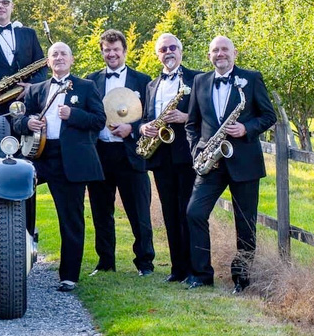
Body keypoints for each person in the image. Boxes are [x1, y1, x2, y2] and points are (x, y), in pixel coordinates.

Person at [185, 35, 276, 293]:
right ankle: (202, 275)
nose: (220, 54)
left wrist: (246, 128)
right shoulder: (199, 81)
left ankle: (242, 279)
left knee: (245, 223)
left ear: (234, 53)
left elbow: (269, 116)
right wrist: (196, 151)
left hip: (244, 161)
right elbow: (192, 125)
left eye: (225, 49)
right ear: (209, 55)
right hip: (210, 162)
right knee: (194, 212)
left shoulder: (252, 78)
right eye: (215, 50)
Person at [12, 42, 105, 292]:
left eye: (64, 54)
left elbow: (99, 120)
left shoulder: (86, 87)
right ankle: (13, 263)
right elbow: (19, 119)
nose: (59, 57)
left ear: (72, 60)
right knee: (15, 207)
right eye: (54, 54)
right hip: (39, 157)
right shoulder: (37, 89)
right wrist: (27, 123)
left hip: (70, 160)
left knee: (70, 218)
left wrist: (73, 115)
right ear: (48, 62)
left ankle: (69, 276)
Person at [85, 28, 154, 276]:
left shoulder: (143, 81)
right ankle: (105, 263)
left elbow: (150, 116)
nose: (111, 54)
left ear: (125, 51)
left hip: (131, 154)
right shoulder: (91, 80)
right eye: (107, 50)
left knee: (139, 212)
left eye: (116, 49)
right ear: (102, 52)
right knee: (101, 211)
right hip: (100, 154)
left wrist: (132, 128)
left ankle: (145, 263)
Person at [139, 33, 200, 283]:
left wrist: (186, 117)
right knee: (169, 213)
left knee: (187, 211)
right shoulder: (152, 85)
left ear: (181, 51)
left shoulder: (197, 78)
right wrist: (144, 128)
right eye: (163, 49)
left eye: (173, 47)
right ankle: (177, 269)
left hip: (185, 153)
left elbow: (207, 112)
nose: (168, 52)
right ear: (158, 55)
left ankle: (193, 268)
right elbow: (144, 117)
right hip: (161, 155)